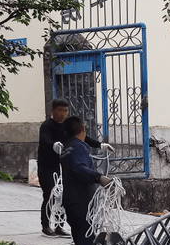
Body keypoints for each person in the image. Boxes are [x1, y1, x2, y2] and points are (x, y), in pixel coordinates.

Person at [37, 98, 113, 237]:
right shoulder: (47, 125)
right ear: (53, 110)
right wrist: (53, 144)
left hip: (63, 164)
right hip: (47, 166)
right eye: (60, 111)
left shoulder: (67, 125)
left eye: (66, 111)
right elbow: (44, 139)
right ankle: (46, 225)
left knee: (62, 195)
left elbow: (83, 137)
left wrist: (100, 145)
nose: (63, 114)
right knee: (50, 195)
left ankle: (59, 225)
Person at [60, 116, 112, 245]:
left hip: (70, 201)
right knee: (84, 243)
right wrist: (99, 177)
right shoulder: (79, 147)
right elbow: (79, 168)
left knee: (80, 241)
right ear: (83, 129)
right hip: (81, 201)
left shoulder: (66, 147)